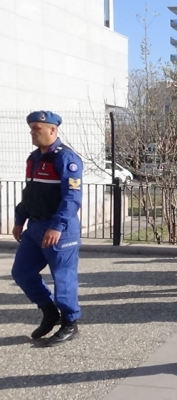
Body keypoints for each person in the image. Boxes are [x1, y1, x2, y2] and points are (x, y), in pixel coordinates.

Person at [11, 111, 83, 346]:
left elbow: (72, 197)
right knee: (22, 273)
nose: (32, 133)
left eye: (37, 129)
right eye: (31, 128)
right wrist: (20, 220)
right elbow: (29, 193)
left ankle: (70, 323)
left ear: (52, 130)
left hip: (59, 230)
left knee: (63, 278)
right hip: (35, 227)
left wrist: (58, 226)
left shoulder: (66, 158)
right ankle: (49, 311)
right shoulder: (33, 158)